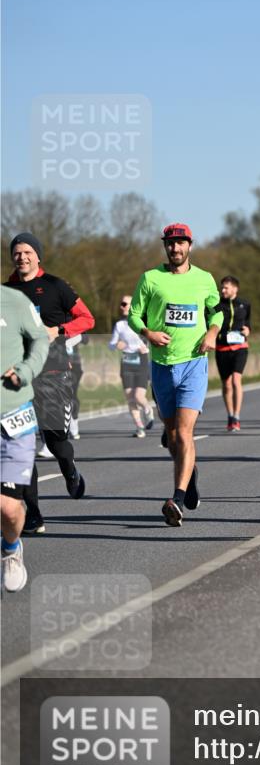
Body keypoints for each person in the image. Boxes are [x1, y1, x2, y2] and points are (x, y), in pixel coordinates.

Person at [128, 223, 223, 527]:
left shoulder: (204, 279)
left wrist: (212, 332)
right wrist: (148, 332)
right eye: (171, 244)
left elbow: (217, 311)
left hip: (194, 363)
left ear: (189, 246)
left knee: (184, 433)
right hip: (161, 366)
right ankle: (190, 477)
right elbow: (133, 314)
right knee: (172, 438)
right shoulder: (151, 279)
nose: (176, 249)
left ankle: (177, 498)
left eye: (181, 243)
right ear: (166, 247)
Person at [6, 232, 94, 534]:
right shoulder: (6, 292)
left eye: (28, 252)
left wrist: (59, 330)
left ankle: (69, 470)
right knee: (23, 446)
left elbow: (87, 318)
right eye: (17, 253)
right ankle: (34, 514)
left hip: (54, 374)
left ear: (38, 256)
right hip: (17, 381)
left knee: (57, 441)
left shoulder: (56, 286)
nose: (22, 257)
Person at [1, 286, 50, 590]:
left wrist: (26, 370)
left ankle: (10, 549)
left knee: (7, 506)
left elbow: (41, 338)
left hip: (12, 414)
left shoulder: (14, 300)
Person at [109, 295, 155, 437]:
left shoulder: (142, 322)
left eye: (125, 304)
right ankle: (139, 427)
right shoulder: (119, 325)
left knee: (138, 396)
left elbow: (152, 338)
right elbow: (111, 344)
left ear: (132, 305)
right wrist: (116, 344)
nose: (122, 306)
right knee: (130, 398)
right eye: (121, 304)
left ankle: (148, 409)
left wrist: (145, 348)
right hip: (127, 362)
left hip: (141, 361)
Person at [214, 276, 251, 432]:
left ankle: (237, 416)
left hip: (240, 347)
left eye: (226, 287)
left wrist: (248, 329)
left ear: (235, 289)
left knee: (236, 380)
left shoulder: (245, 304)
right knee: (226, 384)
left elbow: (248, 323)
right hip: (222, 349)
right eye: (222, 287)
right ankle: (230, 415)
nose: (223, 290)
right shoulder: (217, 306)